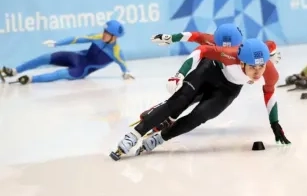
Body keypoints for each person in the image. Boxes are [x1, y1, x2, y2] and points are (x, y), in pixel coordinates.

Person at [110, 38, 290, 161]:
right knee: (178, 101)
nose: (258, 71)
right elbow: (202, 49)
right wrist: (179, 74)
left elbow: (269, 92)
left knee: (199, 116)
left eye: (261, 66)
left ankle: (159, 139)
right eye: (252, 67)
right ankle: (133, 135)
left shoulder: (270, 71)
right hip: (208, 72)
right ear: (241, 62)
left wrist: (275, 123)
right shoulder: (229, 54)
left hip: (228, 89)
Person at [136, 25, 281, 133]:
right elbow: (194, 36)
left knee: (202, 98)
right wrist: (171, 38)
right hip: (210, 67)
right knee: (189, 94)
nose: (226, 53)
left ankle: (170, 116)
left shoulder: (248, 54)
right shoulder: (212, 42)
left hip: (229, 82)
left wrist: (272, 55)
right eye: (220, 48)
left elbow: (270, 45)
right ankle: (170, 115)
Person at [0, 20, 134, 84]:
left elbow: (123, 65)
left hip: (82, 70)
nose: (103, 34)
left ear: (115, 36)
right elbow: (76, 39)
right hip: (77, 58)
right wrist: (57, 43)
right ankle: (14, 71)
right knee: (46, 57)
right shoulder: (98, 37)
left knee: (59, 74)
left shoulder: (116, 52)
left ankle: (30, 79)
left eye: (107, 33)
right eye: (104, 31)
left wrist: (126, 73)